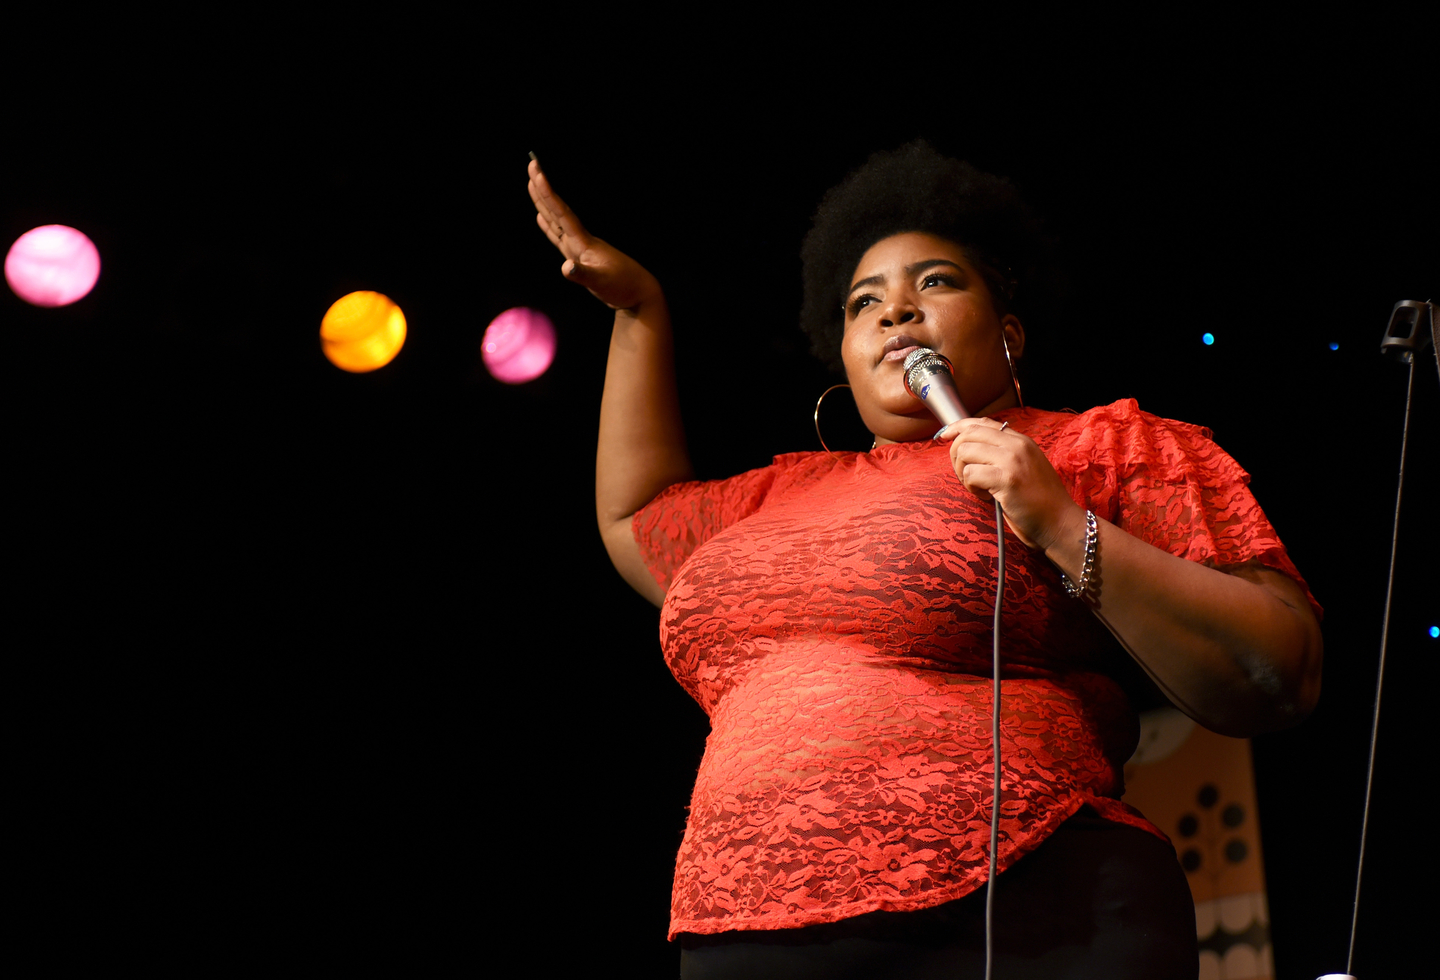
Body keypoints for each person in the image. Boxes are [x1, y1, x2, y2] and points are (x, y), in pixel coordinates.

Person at [527, 142, 1322, 980]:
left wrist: (1058, 521)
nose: (894, 313)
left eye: (934, 283)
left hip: (1026, 907)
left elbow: (1281, 664)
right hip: (746, 929)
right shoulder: (775, 493)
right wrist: (639, 312)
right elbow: (634, 518)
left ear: (1008, 331)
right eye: (862, 302)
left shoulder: (1100, 445)